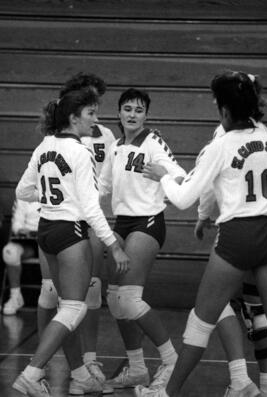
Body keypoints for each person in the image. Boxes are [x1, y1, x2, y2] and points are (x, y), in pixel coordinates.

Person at [136, 70, 267, 397]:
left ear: (224, 111)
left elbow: (183, 197)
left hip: (237, 237)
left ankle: (166, 393)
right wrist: (205, 212)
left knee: (201, 320)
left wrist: (164, 174)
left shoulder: (220, 145)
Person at [12, 88, 129, 397]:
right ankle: (32, 373)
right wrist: (113, 244)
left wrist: (54, 197)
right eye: (91, 113)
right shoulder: (80, 151)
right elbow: (91, 209)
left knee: (66, 308)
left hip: (45, 229)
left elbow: (22, 192)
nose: (96, 119)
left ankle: (80, 375)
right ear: (74, 117)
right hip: (69, 233)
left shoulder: (44, 146)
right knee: (75, 310)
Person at [97, 88, 187, 391]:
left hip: (148, 221)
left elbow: (181, 177)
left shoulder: (153, 141)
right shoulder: (115, 146)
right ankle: (136, 368)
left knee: (129, 299)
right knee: (114, 301)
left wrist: (164, 174)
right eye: (127, 109)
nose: (132, 114)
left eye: (138, 109)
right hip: (121, 222)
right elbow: (103, 187)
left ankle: (171, 360)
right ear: (119, 113)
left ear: (146, 114)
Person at [193, 75, 267, 397]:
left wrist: (202, 217)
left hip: (237, 231)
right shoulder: (264, 133)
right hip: (265, 229)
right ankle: (263, 384)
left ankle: (240, 378)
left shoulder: (224, 135)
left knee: (217, 304)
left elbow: (209, 186)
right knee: (258, 311)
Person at [1, 199, 39, 315]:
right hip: (30, 242)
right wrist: (20, 229)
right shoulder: (24, 192)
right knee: (9, 251)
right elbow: (17, 221)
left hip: (53, 240)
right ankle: (16, 297)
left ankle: (61, 299)